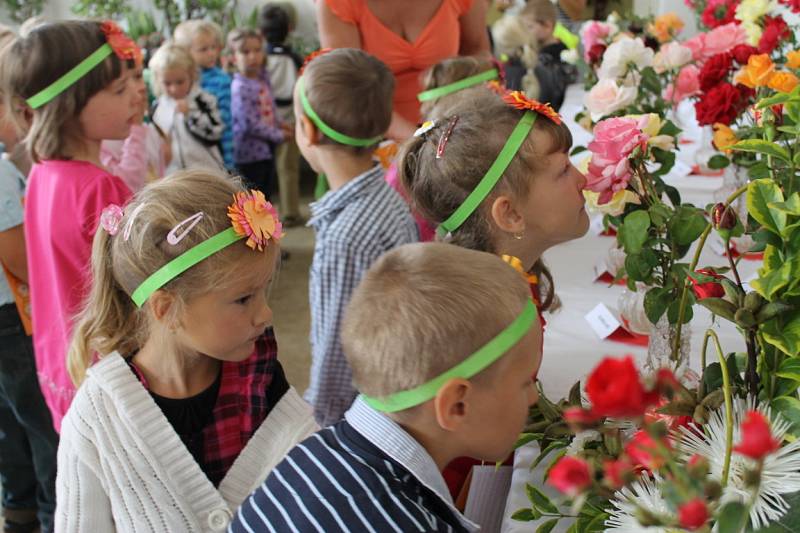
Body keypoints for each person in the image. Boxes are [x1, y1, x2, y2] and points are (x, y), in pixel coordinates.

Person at [56, 169, 317, 532]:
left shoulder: (259, 380)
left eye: (263, 291)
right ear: (166, 309)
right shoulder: (97, 420)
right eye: (244, 299)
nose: (266, 314)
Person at [232, 242, 543, 532]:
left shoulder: (314, 452)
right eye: (525, 382)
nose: (533, 397)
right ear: (456, 405)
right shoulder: (403, 522)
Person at [0, 20, 139, 430]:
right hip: (110, 378)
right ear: (68, 104)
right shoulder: (101, 189)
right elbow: (136, 294)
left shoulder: (44, 173)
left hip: (63, 371)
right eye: (118, 89)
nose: (136, 93)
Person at [296, 49, 418, 426]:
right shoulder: (387, 197)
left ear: (310, 131)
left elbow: (336, 350)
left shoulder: (345, 237)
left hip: (361, 416)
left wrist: (318, 423)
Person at [400, 88, 588, 314]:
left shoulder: (509, 287)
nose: (583, 179)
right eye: (564, 169)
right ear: (510, 214)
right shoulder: (492, 321)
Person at [0, 39, 59, 533]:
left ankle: (17, 508)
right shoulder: (0, 172)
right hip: (11, 316)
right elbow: (16, 255)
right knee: (42, 424)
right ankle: (54, 513)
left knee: (7, 422)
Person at [318, 0, 491, 140]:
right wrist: (420, 139)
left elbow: (478, 52)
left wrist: (461, 121)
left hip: (452, 126)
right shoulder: (337, 4)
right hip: (375, 133)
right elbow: (349, 89)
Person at [149, 42, 225, 174]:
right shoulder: (157, 107)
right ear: (157, 80)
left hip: (208, 172)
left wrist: (190, 115)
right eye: (167, 83)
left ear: (191, 75)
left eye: (180, 82)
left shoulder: (204, 100)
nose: (174, 89)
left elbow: (216, 133)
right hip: (174, 176)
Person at [260, 4, 303, 226]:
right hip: (289, 119)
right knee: (288, 168)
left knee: (265, 171)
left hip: (264, 120)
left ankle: (265, 213)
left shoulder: (260, 60)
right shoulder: (294, 59)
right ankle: (290, 211)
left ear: (262, 33)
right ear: (289, 29)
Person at [228, 28, 285, 197]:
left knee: (267, 195)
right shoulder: (240, 87)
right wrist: (279, 135)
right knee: (255, 200)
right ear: (233, 57)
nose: (253, 56)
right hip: (250, 156)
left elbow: (269, 107)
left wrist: (280, 124)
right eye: (245, 52)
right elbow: (250, 125)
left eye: (257, 50)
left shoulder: (262, 78)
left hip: (266, 150)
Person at [174, 20, 235, 169]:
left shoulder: (221, 80)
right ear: (186, 52)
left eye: (214, 47)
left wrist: (228, 162)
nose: (212, 53)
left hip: (216, 157)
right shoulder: (180, 80)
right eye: (203, 49)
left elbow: (225, 124)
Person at [100, 64, 169, 191]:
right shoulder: (101, 145)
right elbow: (128, 187)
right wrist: (136, 129)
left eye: (138, 76)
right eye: (121, 88)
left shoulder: (151, 133)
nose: (141, 88)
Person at [520, 0, 577, 110]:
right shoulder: (542, 50)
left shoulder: (550, 56)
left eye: (530, 27)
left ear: (548, 25)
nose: (526, 32)